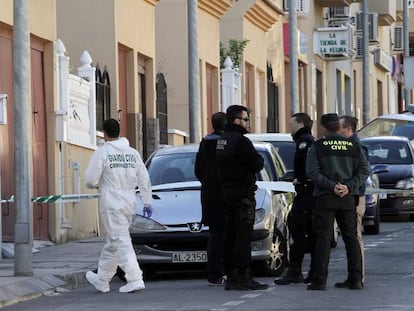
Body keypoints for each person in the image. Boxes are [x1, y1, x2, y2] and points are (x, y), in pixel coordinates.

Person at [84, 118, 152, 293]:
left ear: (104, 133)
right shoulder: (133, 153)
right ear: (119, 131)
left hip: (111, 203)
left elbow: (91, 179)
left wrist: (97, 184)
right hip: (129, 202)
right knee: (113, 241)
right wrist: (147, 202)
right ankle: (102, 278)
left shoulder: (103, 152)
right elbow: (144, 179)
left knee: (120, 241)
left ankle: (135, 277)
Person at [305, 113, 369, 290]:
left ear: (324, 127)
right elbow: (364, 171)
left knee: (323, 239)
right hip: (348, 198)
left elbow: (311, 171)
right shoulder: (353, 145)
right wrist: (348, 186)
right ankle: (355, 279)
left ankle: (319, 281)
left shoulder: (318, 146)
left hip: (325, 197)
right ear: (338, 126)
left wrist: (331, 186)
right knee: (351, 238)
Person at [216, 105, 268, 291]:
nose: (248, 123)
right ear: (237, 121)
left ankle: (231, 277)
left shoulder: (222, 140)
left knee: (230, 237)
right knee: (243, 238)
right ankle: (244, 277)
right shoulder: (241, 141)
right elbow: (257, 164)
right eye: (246, 119)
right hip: (242, 196)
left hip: (227, 194)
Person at [274, 112, 315, 285]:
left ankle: (296, 271)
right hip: (308, 194)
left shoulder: (304, 142)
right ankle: (311, 271)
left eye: (291, 125)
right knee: (309, 232)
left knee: (299, 231)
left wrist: (300, 178)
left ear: (300, 124)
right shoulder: (306, 140)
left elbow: (307, 167)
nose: (290, 129)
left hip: (306, 193)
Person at [194, 112, 227, 286]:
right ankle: (228, 271)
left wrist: (208, 183)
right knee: (229, 234)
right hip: (227, 193)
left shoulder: (205, 143)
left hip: (209, 194)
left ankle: (214, 274)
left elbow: (198, 170)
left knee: (215, 235)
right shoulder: (228, 142)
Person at [337, 115, 368, 287]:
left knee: (355, 237)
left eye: (339, 127)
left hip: (355, 196)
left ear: (347, 129)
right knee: (352, 236)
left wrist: (348, 186)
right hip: (350, 195)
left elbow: (362, 173)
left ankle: (358, 276)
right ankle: (353, 276)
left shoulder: (357, 146)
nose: (337, 130)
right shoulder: (348, 145)